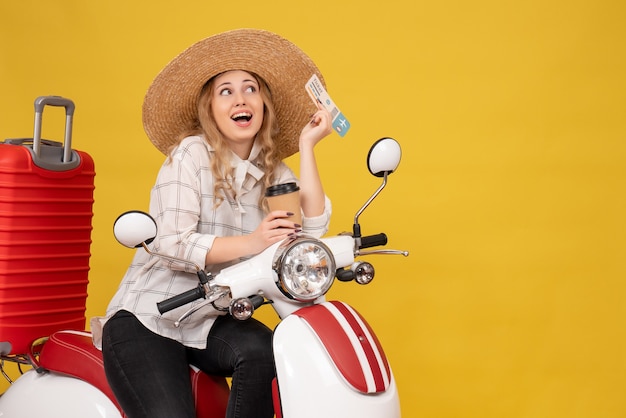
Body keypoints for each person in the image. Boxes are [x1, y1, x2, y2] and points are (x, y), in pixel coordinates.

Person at [91, 29, 334, 418]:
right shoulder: (188, 154)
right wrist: (253, 243)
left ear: (264, 104)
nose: (241, 99)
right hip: (151, 318)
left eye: (250, 88)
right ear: (211, 108)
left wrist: (308, 146)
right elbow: (172, 243)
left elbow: (310, 232)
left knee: (264, 352)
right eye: (226, 91)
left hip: (212, 317)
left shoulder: (273, 171)